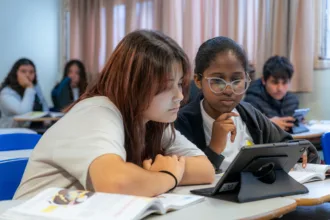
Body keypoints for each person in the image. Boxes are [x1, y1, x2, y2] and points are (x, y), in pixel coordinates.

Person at [14, 30, 214, 200]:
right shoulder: (96, 111)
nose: (179, 96)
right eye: (166, 86)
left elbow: (205, 169)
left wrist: (145, 178)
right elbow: (116, 183)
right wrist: (167, 175)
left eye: (179, 83)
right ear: (134, 84)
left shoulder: (151, 122)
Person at [175, 37, 318, 172]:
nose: (229, 90)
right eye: (218, 81)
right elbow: (186, 177)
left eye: (236, 81)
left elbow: (290, 144)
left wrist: (300, 151)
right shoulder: (181, 123)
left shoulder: (249, 114)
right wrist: (215, 147)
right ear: (198, 81)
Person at [244, 56, 299, 131]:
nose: (280, 88)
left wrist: (298, 123)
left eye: (285, 82)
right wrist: (267, 124)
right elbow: (247, 129)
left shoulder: (292, 100)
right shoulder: (251, 100)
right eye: (275, 82)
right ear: (264, 80)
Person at [0, 58, 49, 128]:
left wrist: (47, 120)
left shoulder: (35, 87)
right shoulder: (6, 93)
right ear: (15, 73)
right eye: (23, 71)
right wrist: (29, 87)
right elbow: (24, 113)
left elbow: (44, 105)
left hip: (36, 129)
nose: (27, 75)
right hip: (13, 132)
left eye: (31, 72)